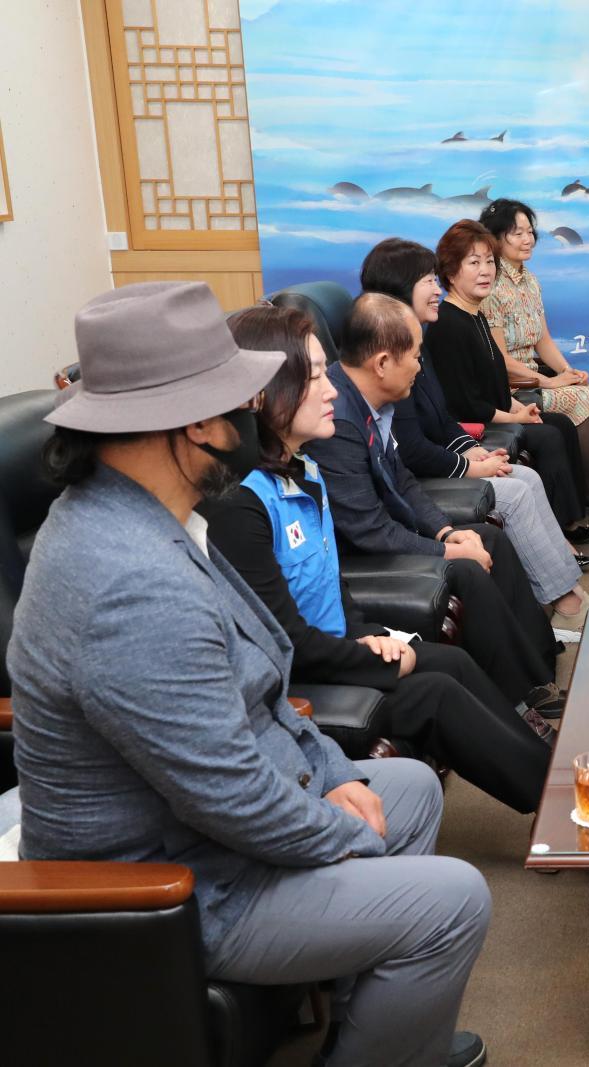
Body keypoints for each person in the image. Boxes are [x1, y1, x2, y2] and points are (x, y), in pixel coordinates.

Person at [7, 282, 490, 1067]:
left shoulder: (154, 513)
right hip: (179, 884)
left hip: (216, 831)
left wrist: (332, 769)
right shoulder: (127, 582)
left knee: (411, 791)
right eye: (241, 397)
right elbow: (224, 791)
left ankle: (385, 1029)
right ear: (197, 423)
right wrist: (343, 832)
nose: (253, 412)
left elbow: (264, 681)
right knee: (453, 898)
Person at [205, 303, 557, 793]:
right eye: (313, 378)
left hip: (340, 646)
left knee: (451, 662)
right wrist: (373, 657)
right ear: (262, 395)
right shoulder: (239, 506)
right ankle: (556, 797)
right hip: (301, 678)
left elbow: (331, 586)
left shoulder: (303, 470)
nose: (331, 388)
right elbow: (283, 644)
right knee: (434, 691)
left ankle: (552, 772)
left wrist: (372, 635)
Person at [303, 291, 563, 715]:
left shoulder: (368, 398)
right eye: (415, 357)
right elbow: (368, 530)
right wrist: (446, 550)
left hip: (387, 533)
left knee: (487, 541)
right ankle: (520, 698)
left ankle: (538, 671)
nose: (420, 367)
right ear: (383, 362)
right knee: (465, 567)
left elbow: (402, 479)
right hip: (362, 555)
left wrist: (447, 530)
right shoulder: (340, 421)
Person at [359, 237, 589, 632]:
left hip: (441, 462)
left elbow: (441, 420)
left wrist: (473, 451)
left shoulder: (418, 339)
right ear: (401, 288)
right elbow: (412, 449)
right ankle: (566, 602)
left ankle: (566, 592)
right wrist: (467, 467)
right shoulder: (390, 354)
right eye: (428, 280)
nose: (437, 288)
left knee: (526, 476)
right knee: (516, 491)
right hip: (420, 481)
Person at [427, 219, 589, 518]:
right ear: (450, 272)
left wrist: (518, 410)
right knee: (548, 435)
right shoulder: (448, 325)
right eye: (474, 262)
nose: (485, 270)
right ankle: (561, 525)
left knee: (559, 423)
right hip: (472, 425)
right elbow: (465, 404)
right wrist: (513, 415)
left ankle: (571, 516)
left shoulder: (475, 316)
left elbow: (494, 385)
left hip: (494, 412)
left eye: (489, 261)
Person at [480, 198, 589, 513]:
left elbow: (543, 340)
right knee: (586, 400)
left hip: (537, 379)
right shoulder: (490, 286)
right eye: (516, 233)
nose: (527, 239)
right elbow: (498, 360)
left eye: (530, 231)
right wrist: (550, 381)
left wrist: (568, 373)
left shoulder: (530, 280)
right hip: (514, 389)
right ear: (495, 237)